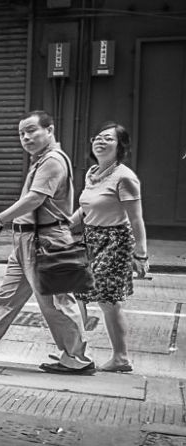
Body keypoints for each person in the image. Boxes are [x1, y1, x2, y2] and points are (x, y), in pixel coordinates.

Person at [0, 110, 95, 374]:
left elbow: (35, 198)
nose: (25, 137)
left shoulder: (52, 161)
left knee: (57, 302)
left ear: (49, 130)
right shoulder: (40, 160)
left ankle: (75, 358)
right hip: (27, 239)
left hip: (45, 240)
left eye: (31, 131)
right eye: (21, 133)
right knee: (7, 297)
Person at [69, 122, 148, 372]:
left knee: (108, 300)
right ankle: (76, 350)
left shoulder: (125, 177)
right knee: (78, 292)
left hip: (115, 241)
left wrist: (141, 255)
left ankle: (120, 358)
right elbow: (87, 207)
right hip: (91, 239)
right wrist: (66, 224)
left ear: (120, 146)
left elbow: (136, 219)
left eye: (109, 139)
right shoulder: (92, 172)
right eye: (98, 137)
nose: (101, 141)